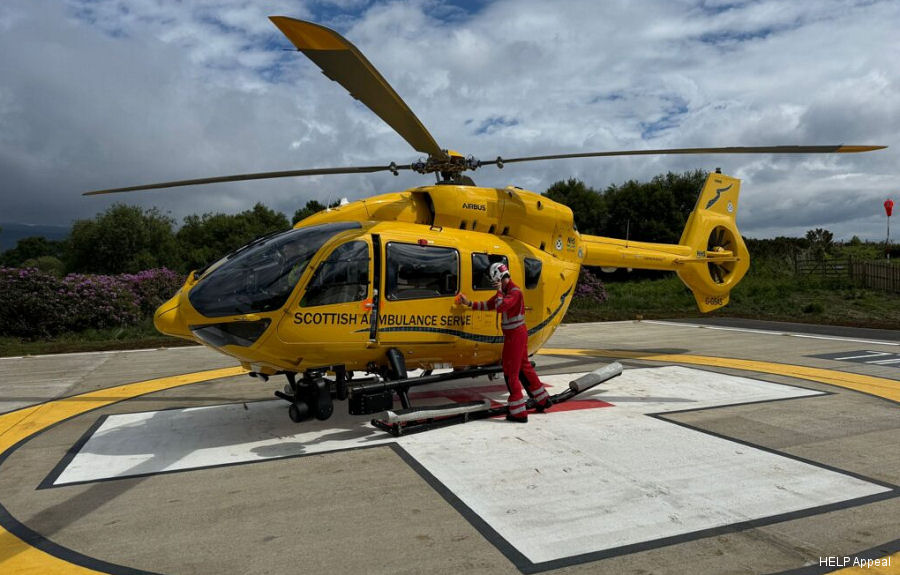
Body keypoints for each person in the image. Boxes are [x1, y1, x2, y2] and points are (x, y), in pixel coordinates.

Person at [456, 262, 552, 422]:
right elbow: (489, 304)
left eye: (493, 280)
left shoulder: (514, 292)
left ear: (497, 277)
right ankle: (542, 399)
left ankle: (518, 412)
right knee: (524, 366)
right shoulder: (507, 291)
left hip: (515, 336)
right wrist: (469, 303)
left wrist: (499, 290)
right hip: (516, 335)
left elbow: (500, 307)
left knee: (510, 372)